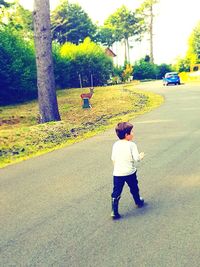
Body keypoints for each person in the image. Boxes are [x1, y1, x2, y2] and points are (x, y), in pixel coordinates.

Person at [111, 122, 145, 220]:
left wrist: (117, 168)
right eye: (132, 132)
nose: (133, 133)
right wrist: (141, 156)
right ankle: (138, 201)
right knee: (134, 187)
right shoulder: (131, 145)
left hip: (117, 173)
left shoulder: (115, 145)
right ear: (127, 135)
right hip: (129, 172)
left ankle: (114, 211)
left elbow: (113, 158)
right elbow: (136, 159)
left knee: (116, 191)